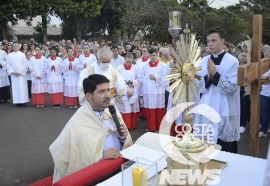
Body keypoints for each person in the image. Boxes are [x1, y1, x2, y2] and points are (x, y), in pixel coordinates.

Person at [49, 74, 133, 183]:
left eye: (108, 90)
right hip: (97, 174)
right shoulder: (80, 119)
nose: (108, 95)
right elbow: (75, 154)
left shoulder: (112, 109)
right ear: (88, 96)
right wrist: (101, 156)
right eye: (101, 92)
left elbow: (126, 141)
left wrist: (123, 139)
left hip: (118, 166)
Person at [195, 26, 240, 153]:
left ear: (222, 41)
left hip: (224, 108)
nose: (210, 44)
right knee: (205, 144)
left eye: (214, 40)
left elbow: (232, 89)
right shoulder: (203, 61)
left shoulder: (232, 61)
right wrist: (209, 76)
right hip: (207, 106)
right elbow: (199, 87)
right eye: (208, 41)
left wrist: (215, 74)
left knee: (224, 147)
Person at [141, 48, 166, 131]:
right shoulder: (145, 66)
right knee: (150, 109)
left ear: (157, 55)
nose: (152, 57)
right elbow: (142, 78)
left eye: (154, 55)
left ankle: (159, 127)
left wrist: (156, 77)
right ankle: (151, 127)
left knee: (159, 109)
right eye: (150, 55)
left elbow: (165, 79)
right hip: (149, 91)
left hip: (158, 91)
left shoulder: (162, 66)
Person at [116, 53, 140, 130]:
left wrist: (134, 83)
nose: (129, 63)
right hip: (123, 91)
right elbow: (116, 80)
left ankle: (132, 125)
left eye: (130, 62)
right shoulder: (119, 68)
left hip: (133, 90)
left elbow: (139, 79)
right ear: (124, 60)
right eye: (127, 61)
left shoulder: (135, 68)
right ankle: (125, 126)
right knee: (124, 108)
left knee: (132, 108)